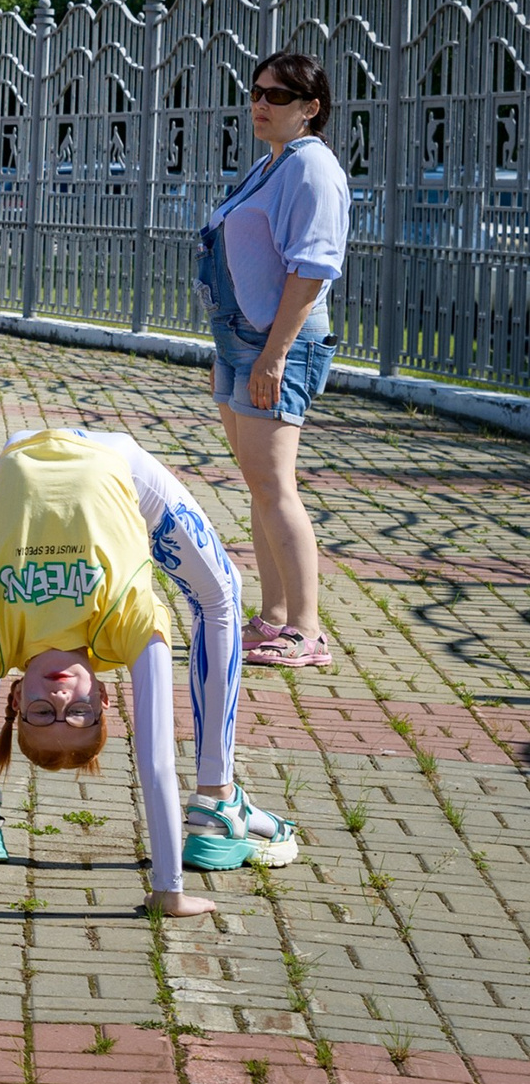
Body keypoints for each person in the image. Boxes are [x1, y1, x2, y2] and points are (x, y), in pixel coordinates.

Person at [0, 428, 300, 919]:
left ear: (16, 699)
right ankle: (217, 799)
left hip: (19, 455)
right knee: (221, 594)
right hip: (117, 465)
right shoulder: (126, 627)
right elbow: (155, 757)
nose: (61, 700)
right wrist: (169, 890)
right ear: (105, 696)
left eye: (43, 712)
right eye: (78, 713)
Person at [200, 53, 350, 670]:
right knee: (260, 485)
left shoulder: (312, 168)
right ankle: (274, 617)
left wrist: (274, 356)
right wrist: (234, 352)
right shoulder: (274, 163)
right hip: (242, 341)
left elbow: (311, 269)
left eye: (279, 96)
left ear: (311, 108)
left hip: (277, 343)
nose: (262, 103)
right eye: (257, 91)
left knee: (275, 485)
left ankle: (308, 632)